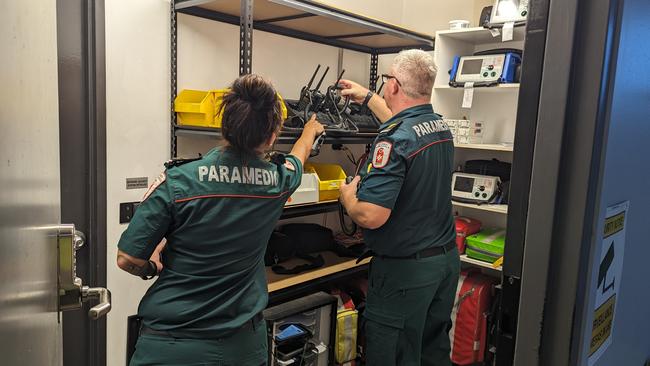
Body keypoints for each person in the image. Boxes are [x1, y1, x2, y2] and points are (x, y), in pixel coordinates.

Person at [116, 74, 324, 366]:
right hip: (241, 348)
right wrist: (309, 132)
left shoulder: (178, 181)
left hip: (172, 346)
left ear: (224, 127)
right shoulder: (277, 181)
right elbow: (297, 158)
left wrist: (152, 265)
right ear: (271, 137)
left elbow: (126, 259)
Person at [338, 49, 460, 366]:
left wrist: (348, 197)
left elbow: (371, 215)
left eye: (386, 80)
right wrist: (366, 97)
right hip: (443, 264)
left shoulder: (393, 140)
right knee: (431, 351)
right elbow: (401, 122)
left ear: (393, 86)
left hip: (406, 274)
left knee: (391, 355)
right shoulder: (439, 128)